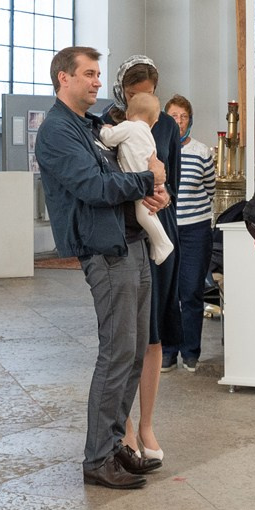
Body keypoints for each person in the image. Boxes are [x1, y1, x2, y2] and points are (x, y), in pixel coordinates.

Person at [35, 45, 168, 490]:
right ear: (64, 78)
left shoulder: (91, 126)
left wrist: (152, 192)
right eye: (89, 74)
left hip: (132, 243)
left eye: (97, 74)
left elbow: (121, 175)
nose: (97, 81)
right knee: (116, 352)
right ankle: (98, 458)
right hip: (106, 250)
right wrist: (148, 180)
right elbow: (93, 186)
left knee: (134, 351)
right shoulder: (57, 131)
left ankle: (115, 446)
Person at [105, 57, 181, 465]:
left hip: (159, 226)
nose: (141, 99)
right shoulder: (108, 123)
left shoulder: (165, 125)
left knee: (152, 334)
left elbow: (174, 182)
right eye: (134, 93)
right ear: (123, 92)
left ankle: (148, 423)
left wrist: (162, 193)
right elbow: (104, 178)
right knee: (125, 336)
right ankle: (126, 426)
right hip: (124, 233)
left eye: (148, 92)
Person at [165, 95, 216, 373]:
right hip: (167, 228)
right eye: (174, 116)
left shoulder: (201, 151)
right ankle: (168, 351)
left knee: (192, 291)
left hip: (196, 229)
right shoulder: (158, 149)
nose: (179, 121)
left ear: (190, 120)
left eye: (183, 116)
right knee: (168, 293)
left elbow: (210, 188)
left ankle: (191, 351)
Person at [100, 93, 174, 267]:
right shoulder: (147, 133)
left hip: (141, 181)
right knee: (149, 214)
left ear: (127, 114)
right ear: (154, 121)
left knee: (143, 214)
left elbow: (108, 139)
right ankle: (157, 243)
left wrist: (105, 129)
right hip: (149, 178)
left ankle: (163, 242)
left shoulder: (129, 127)